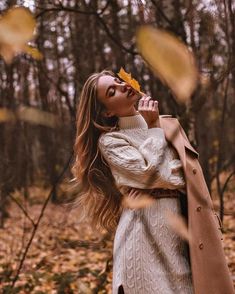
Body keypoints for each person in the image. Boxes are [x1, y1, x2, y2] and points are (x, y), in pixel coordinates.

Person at [71, 70, 234, 294]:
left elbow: (184, 177)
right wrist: (154, 133)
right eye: (112, 91)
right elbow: (159, 174)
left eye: (119, 81)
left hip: (178, 243)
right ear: (108, 111)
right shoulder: (111, 141)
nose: (122, 86)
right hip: (140, 247)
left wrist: (158, 178)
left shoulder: (169, 126)